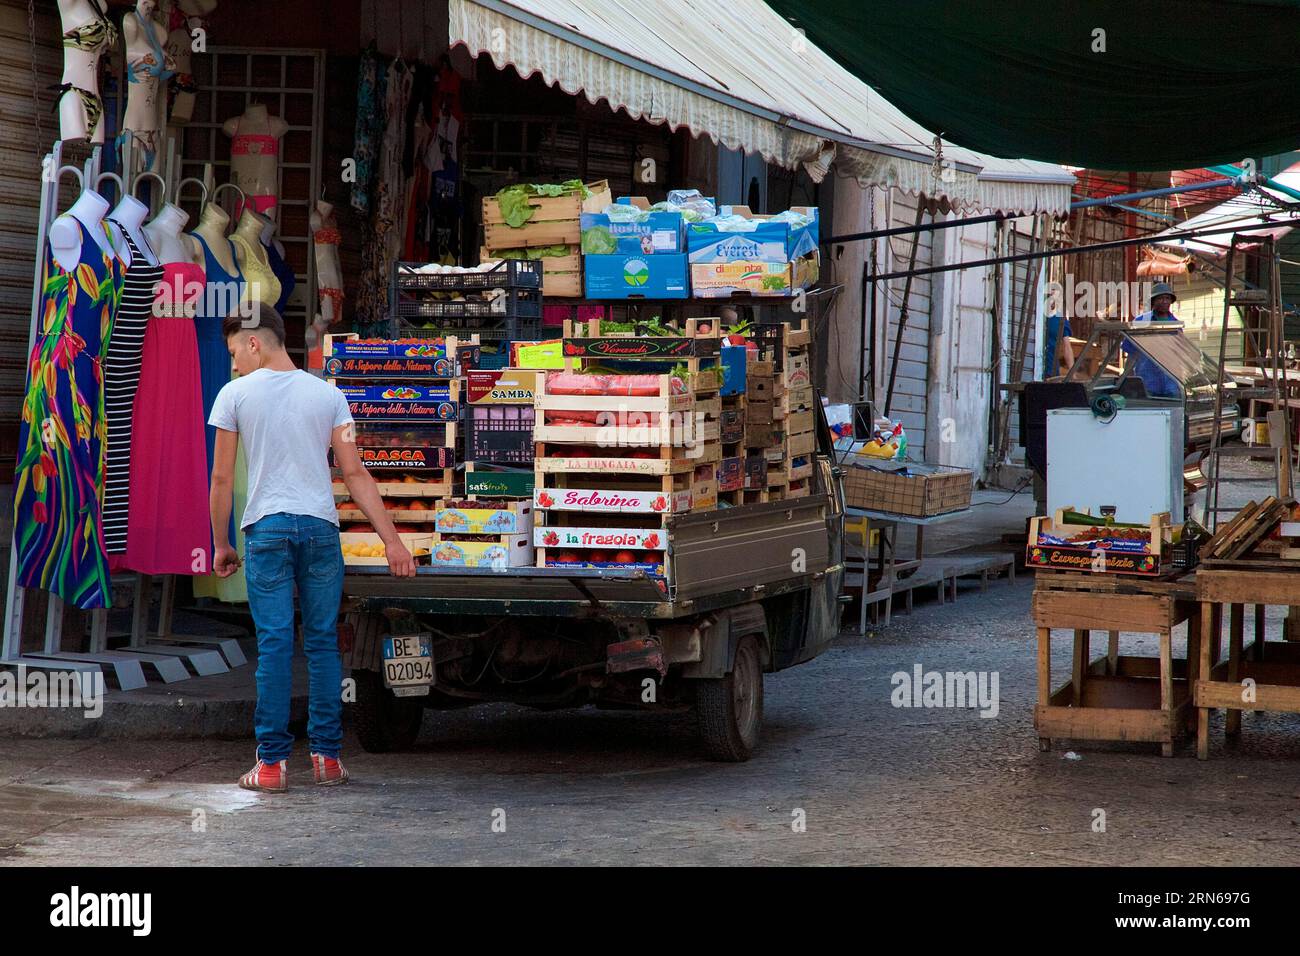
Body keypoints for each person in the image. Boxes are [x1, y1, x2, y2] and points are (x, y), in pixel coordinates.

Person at [209, 303, 415, 793]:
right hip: (321, 532)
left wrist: (220, 543)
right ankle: (326, 758)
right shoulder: (329, 396)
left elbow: (220, 477)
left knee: (276, 644)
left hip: (268, 531)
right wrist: (393, 542)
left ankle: (273, 766)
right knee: (322, 643)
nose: (234, 363)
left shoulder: (233, 395)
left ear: (255, 342)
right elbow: (355, 474)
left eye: (236, 351)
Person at [1124, 281, 1181, 398]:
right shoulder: (1141, 321)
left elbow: (1179, 355)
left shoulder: (1175, 324)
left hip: (1171, 383)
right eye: (1160, 298)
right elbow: (1131, 353)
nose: (1164, 301)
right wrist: (1127, 380)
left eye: (1167, 298)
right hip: (1147, 383)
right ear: (1153, 301)